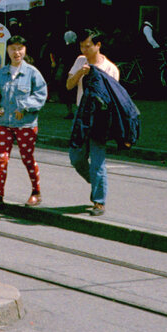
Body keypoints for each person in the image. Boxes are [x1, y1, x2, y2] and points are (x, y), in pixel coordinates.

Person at [0, 35, 48, 213]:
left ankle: (36, 192)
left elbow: (41, 95)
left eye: (20, 48)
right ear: (7, 50)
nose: (16, 52)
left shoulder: (32, 73)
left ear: (25, 50)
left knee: (27, 159)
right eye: (13, 48)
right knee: (1, 160)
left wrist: (26, 107)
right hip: (4, 123)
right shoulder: (2, 73)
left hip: (25, 125)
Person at [65, 29, 120, 216]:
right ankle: (96, 182)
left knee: (98, 161)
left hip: (100, 118)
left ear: (98, 45)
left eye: (88, 46)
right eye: (81, 46)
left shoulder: (111, 68)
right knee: (76, 157)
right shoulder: (80, 61)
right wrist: (80, 72)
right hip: (81, 117)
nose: (84, 49)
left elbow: (115, 98)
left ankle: (99, 201)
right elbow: (68, 85)